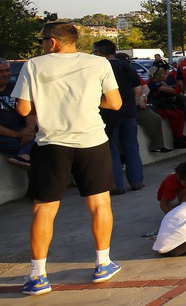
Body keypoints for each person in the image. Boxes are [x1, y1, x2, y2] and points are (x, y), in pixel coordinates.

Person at [13, 22, 124, 295]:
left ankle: (38, 276)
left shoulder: (34, 65)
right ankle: (103, 264)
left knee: (44, 209)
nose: (40, 44)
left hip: (52, 144)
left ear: (52, 42)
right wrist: (87, 101)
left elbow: (23, 108)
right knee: (99, 204)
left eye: (41, 40)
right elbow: (115, 103)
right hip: (92, 141)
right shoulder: (98, 64)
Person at [92, 40, 144, 195]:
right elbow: (138, 89)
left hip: (108, 115)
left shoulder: (98, 69)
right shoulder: (126, 67)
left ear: (99, 53)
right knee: (132, 146)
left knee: (112, 150)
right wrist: (132, 107)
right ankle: (137, 181)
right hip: (128, 112)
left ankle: (116, 185)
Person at [0, 57, 36, 170]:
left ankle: (23, 155)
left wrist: (29, 129)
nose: (5, 74)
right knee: (34, 146)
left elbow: (30, 111)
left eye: (7, 70)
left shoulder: (16, 87)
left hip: (22, 129)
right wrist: (17, 134)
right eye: (0, 71)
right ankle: (23, 154)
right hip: (5, 134)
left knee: (42, 139)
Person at [147, 66, 186, 148]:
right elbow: (170, 91)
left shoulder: (161, 83)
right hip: (156, 107)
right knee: (174, 114)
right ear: (157, 76)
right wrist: (180, 87)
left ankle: (178, 136)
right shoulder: (152, 83)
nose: (165, 75)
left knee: (181, 113)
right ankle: (177, 137)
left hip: (164, 105)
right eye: (162, 74)